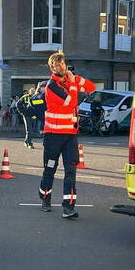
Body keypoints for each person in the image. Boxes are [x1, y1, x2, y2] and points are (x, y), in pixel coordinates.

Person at [37, 51, 95, 219]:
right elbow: (71, 102)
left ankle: (68, 207)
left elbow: (91, 88)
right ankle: (45, 197)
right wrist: (72, 84)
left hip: (70, 135)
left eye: (62, 63)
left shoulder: (70, 81)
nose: (61, 66)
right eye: (57, 65)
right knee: (50, 169)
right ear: (52, 67)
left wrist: (76, 79)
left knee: (71, 170)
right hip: (53, 135)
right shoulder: (52, 86)